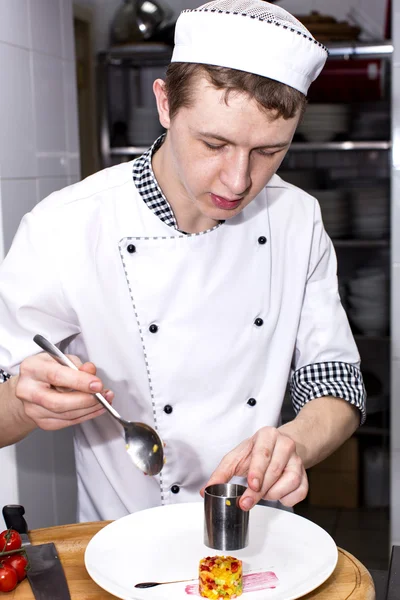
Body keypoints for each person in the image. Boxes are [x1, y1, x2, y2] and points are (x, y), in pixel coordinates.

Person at [0, 0, 365, 522]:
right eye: (214, 143)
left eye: (268, 151)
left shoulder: (296, 219)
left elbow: (336, 383)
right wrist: (21, 401)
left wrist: (296, 443)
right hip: (119, 542)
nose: (238, 181)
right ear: (165, 103)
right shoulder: (67, 226)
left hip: (256, 532)